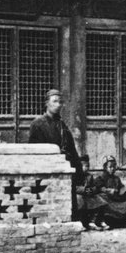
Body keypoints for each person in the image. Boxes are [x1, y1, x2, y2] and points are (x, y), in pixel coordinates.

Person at [28, 89, 84, 218]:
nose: (58, 105)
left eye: (60, 102)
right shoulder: (38, 124)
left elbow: (72, 150)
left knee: (68, 205)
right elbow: (34, 151)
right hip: (48, 170)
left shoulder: (62, 125)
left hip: (64, 169)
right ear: (46, 103)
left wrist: (79, 173)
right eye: (55, 101)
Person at [90, 156, 126, 229]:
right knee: (102, 200)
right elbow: (99, 188)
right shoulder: (101, 178)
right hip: (109, 200)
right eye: (110, 167)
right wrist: (108, 190)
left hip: (117, 199)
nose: (112, 169)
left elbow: (121, 187)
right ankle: (101, 221)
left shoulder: (116, 178)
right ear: (105, 168)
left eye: (114, 166)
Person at [75, 155, 108, 231]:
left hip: (88, 194)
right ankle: (81, 222)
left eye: (87, 166)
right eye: (84, 166)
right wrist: (85, 190)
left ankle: (93, 221)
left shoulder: (89, 176)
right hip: (80, 195)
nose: (86, 168)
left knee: (100, 200)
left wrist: (92, 190)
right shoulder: (75, 176)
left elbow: (94, 186)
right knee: (79, 200)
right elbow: (75, 187)